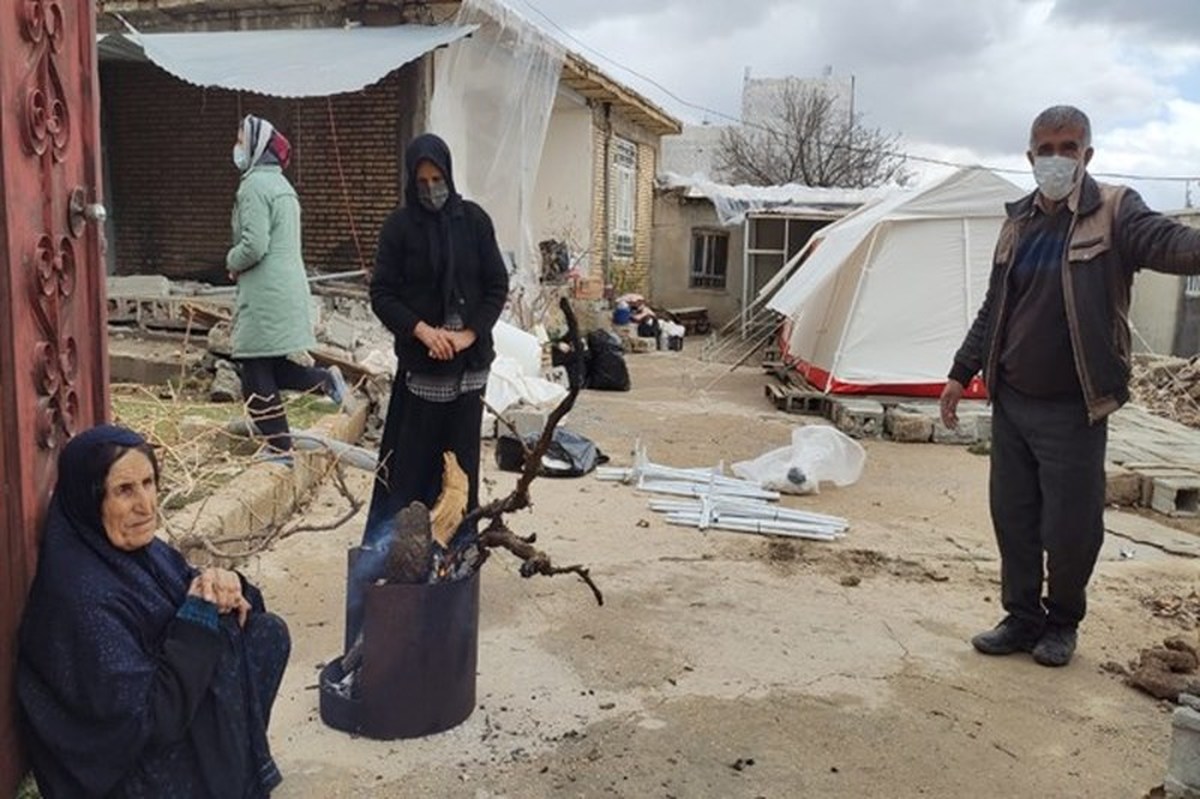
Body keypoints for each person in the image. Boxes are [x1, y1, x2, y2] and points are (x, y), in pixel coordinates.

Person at [940, 105, 1200, 667]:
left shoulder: (1115, 212)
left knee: (1071, 527)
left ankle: (1062, 622)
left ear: (1087, 155)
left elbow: (1173, 244)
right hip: (1013, 400)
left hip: (1075, 405)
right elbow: (995, 306)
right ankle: (1021, 617)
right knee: (1014, 518)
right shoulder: (1017, 223)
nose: (1056, 159)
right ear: (1030, 155)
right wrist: (961, 372)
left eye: (1068, 148)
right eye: (1046, 149)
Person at [17, 424, 291, 797]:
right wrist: (198, 616)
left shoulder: (146, 555)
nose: (145, 506)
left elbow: (238, 611)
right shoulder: (80, 598)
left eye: (148, 483)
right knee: (220, 643)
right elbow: (150, 720)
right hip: (115, 776)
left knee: (263, 634)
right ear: (89, 499)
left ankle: (236, 778)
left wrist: (228, 585)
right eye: (124, 490)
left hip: (160, 725)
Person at [227, 114, 348, 459]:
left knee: (254, 374)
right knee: (273, 367)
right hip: (287, 287)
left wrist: (232, 261)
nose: (236, 148)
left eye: (240, 141)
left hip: (265, 293)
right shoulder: (282, 185)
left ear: (256, 146)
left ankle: (280, 448)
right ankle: (323, 381)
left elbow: (254, 245)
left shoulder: (253, 186)